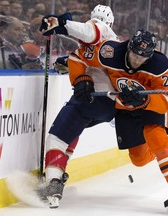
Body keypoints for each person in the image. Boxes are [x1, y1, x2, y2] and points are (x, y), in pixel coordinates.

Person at [66, 29, 168, 214]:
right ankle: (163, 147)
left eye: (143, 58)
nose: (137, 61)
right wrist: (80, 79)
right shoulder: (109, 52)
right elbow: (77, 57)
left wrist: (145, 100)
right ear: (128, 47)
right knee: (138, 160)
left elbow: (167, 100)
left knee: (155, 135)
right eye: (135, 55)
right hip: (125, 108)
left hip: (151, 105)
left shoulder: (160, 64)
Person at [38, 4, 118, 208]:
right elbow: (88, 56)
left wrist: (61, 24)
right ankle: (59, 174)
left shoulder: (102, 30)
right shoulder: (111, 44)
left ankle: (53, 184)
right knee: (73, 130)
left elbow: (90, 32)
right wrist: (67, 61)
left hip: (91, 98)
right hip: (108, 105)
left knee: (57, 137)